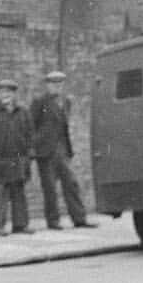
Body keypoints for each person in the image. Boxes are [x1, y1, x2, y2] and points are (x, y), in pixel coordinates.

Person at [30, 69, 95, 230]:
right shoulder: (39, 102)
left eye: (59, 84)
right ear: (47, 85)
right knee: (50, 188)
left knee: (71, 184)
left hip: (63, 150)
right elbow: (31, 126)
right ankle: (53, 221)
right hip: (45, 152)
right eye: (53, 84)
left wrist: (67, 150)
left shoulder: (66, 101)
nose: (57, 87)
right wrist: (35, 147)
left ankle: (79, 218)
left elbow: (64, 127)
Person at [0, 79, 34, 236]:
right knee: (0, 192)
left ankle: (21, 224)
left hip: (19, 158)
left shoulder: (23, 112)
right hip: (1, 159)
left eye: (9, 92)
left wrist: (29, 153)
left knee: (19, 191)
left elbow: (30, 134)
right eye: (2, 92)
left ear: (14, 94)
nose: (6, 95)